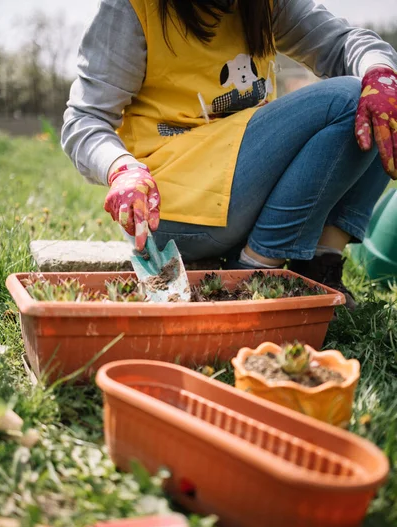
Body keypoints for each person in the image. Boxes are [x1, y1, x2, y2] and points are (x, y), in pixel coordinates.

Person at [62, 0, 397, 308]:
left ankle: (319, 267)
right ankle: (253, 274)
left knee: (382, 95)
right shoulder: (132, 7)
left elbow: (343, 42)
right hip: (168, 206)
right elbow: (85, 118)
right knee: (350, 98)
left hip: (241, 188)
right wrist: (120, 168)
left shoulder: (265, 4)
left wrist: (380, 72)